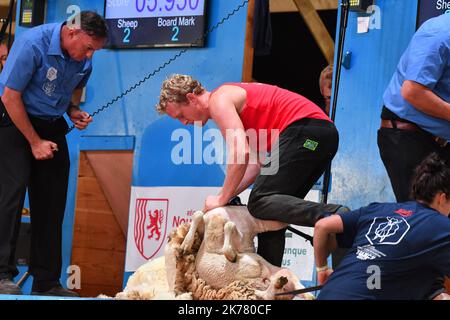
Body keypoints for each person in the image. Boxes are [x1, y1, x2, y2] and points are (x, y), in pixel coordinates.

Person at [156, 74, 348, 267]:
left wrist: (221, 198)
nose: (184, 123)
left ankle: (335, 215)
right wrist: (224, 197)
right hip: (320, 135)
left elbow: (241, 153)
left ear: (191, 98)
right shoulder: (231, 103)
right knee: (270, 214)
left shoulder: (218, 100)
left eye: (181, 115)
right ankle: (269, 282)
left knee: (259, 201)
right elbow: (255, 165)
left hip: (306, 131)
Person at [0, 11, 108, 296]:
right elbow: (10, 97)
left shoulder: (84, 61)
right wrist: (35, 142)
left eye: (94, 51)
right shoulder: (32, 44)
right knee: (10, 195)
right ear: (72, 33)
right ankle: (1, 274)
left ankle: (46, 280)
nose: (88, 56)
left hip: (51, 122)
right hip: (13, 119)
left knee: (51, 203)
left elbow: (72, 93)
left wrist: (74, 112)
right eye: (87, 48)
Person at [314, 153, 450, 300]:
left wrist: (322, 269)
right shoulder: (441, 226)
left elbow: (322, 226)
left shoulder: (377, 209)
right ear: (442, 198)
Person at [378, 13, 450, 203]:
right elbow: (413, 92)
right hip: (408, 138)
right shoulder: (440, 33)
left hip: (437, 140)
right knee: (421, 216)